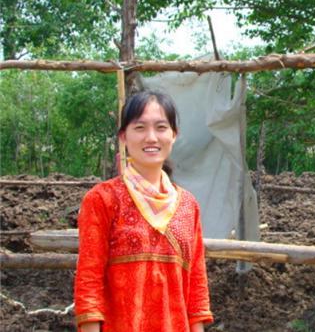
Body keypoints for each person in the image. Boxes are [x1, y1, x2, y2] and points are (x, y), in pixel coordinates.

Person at [74, 90, 213, 331]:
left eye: (161, 127)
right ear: (124, 136)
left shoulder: (188, 205)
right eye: (139, 128)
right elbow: (89, 280)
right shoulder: (102, 199)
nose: (151, 137)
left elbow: (196, 286)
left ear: (174, 135)